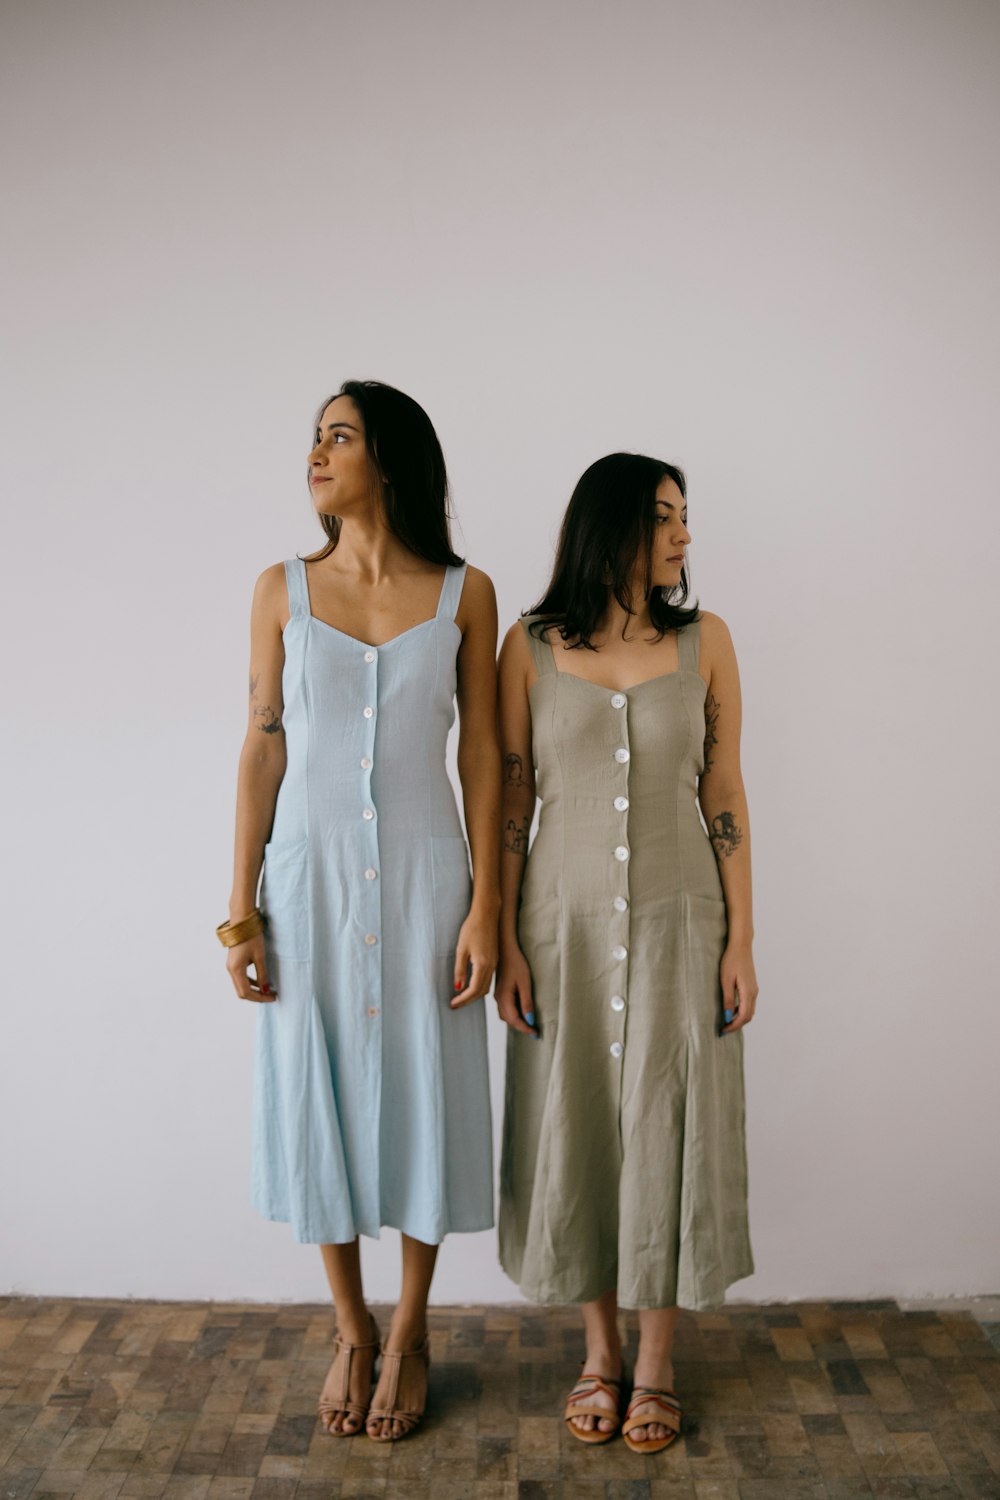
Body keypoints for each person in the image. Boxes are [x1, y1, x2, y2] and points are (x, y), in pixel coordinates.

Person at [218, 380, 500, 1441]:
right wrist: (238, 910)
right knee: (317, 1089)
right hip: (310, 876)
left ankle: (416, 1327)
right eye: (313, 438)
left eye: (338, 437)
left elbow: (481, 757)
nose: (316, 454)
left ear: (389, 458)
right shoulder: (279, 589)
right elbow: (262, 745)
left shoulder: (463, 593)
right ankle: (349, 1325)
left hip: (432, 877)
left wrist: (488, 906)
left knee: (427, 1087)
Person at [495, 452, 757, 1455]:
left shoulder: (706, 642)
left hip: (679, 922)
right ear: (612, 526)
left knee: (666, 1116)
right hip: (560, 928)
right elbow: (512, 799)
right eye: (664, 516)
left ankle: (655, 1361)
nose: (684, 535)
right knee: (582, 1125)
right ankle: (596, 1349)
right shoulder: (527, 647)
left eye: (686, 517)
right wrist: (504, 935)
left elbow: (723, 793)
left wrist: (742, 938)